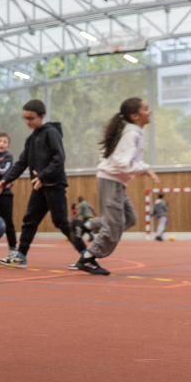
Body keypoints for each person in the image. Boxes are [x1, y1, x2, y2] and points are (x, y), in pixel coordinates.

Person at [72, 97, 160, 275]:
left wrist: (102, 171)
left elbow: (110, 154)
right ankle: (88, 258)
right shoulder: (132, 134)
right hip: (112, 181)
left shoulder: (133, 131)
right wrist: (145, 168)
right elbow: (121, 162)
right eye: (146, 108)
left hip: (115, 181)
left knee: (129, 219)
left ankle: (84, 225)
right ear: (135, 115)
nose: (149, 111)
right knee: (114, 225)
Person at [0, 100, 88, 268]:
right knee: (29, 220)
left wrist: (44, 176)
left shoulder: (51, 133)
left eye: (31, 118)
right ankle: (21, 256)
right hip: (39, 187)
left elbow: (58, 158)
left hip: (54, 185)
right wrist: (5, 179)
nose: (27, 122)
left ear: (42, 116)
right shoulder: (31, 139)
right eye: (25, 118)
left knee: (61, 222)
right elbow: (21, 163)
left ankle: (86, 254)